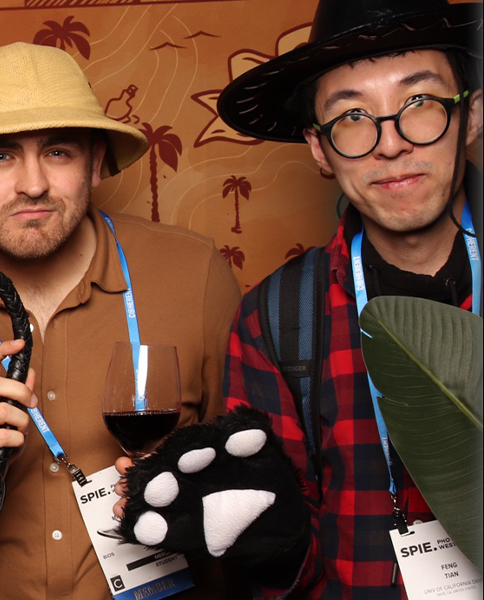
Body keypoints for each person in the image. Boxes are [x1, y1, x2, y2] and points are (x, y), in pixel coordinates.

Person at [115, 1, 482, 598]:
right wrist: (271, 541)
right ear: (319, 148)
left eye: (418, 104)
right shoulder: (278, 317)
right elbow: (286, 578)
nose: (389, 143)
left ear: (471, 117)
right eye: (353, 116)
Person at [0, 43, 243, 600]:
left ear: (95, 162)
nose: (33, 184)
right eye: (0, 156)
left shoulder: (193, 276)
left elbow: (249, 495)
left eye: (57, 153)